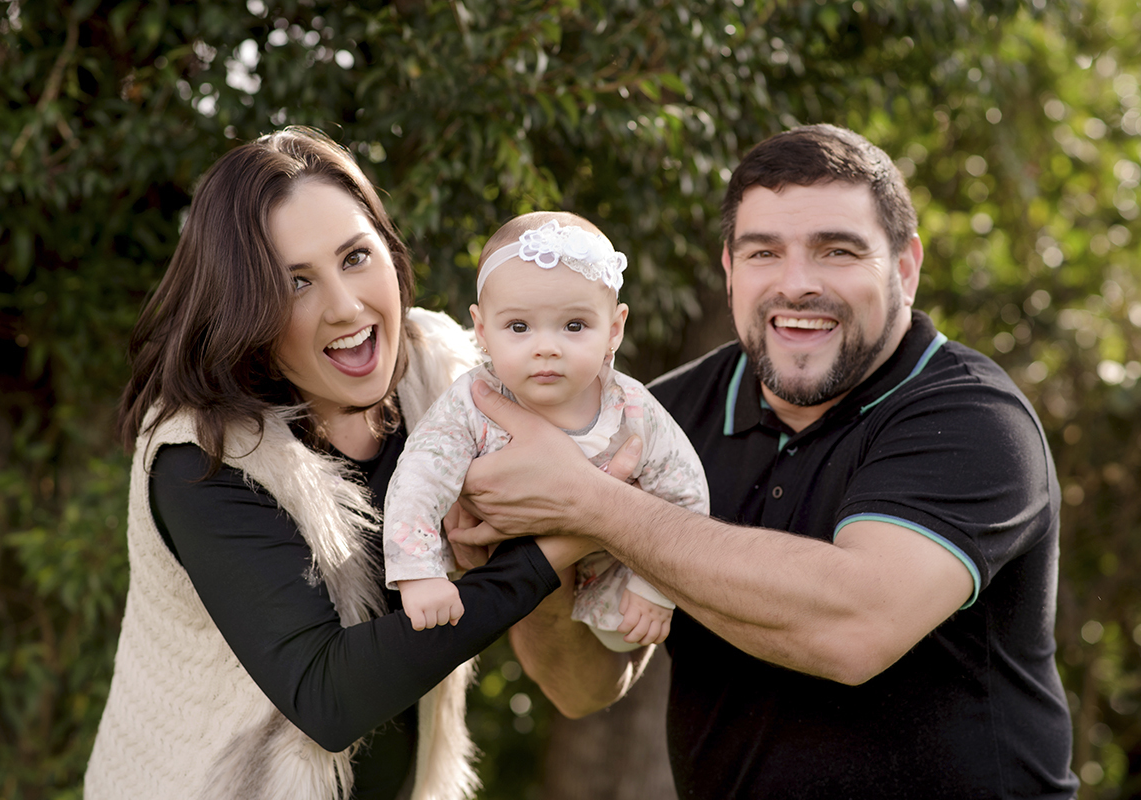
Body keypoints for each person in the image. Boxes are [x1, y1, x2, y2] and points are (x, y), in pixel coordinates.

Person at [452, 124, 1079, 798]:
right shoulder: (662, 417)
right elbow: (584, 685)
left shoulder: (973, 420)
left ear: (903, 267)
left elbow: (853, 628)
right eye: (763, 253)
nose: (796, 285)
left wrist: (597, 506)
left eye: (836, 250)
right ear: (729, 269)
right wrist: (535, 561)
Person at [83, 127, 586, 800]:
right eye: (295, 282)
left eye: (355, 256)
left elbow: (592, 434)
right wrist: (560, 544)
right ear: (245, 311)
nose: (345, 307)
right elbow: (328, 697)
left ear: (389, 249)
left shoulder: (445, 379)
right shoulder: (200, 458)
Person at [383, 212, 709, 651]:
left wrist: (655, 586)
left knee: (623, 634)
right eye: (519, 327)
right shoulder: (473, 401)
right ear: (482, 330)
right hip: (494, 569)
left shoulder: (630, 407)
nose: (546, 347)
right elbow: (419, 478)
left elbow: (685, 487)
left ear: (614, 328)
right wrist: (418, 571)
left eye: (574, 326)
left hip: (608, 561)